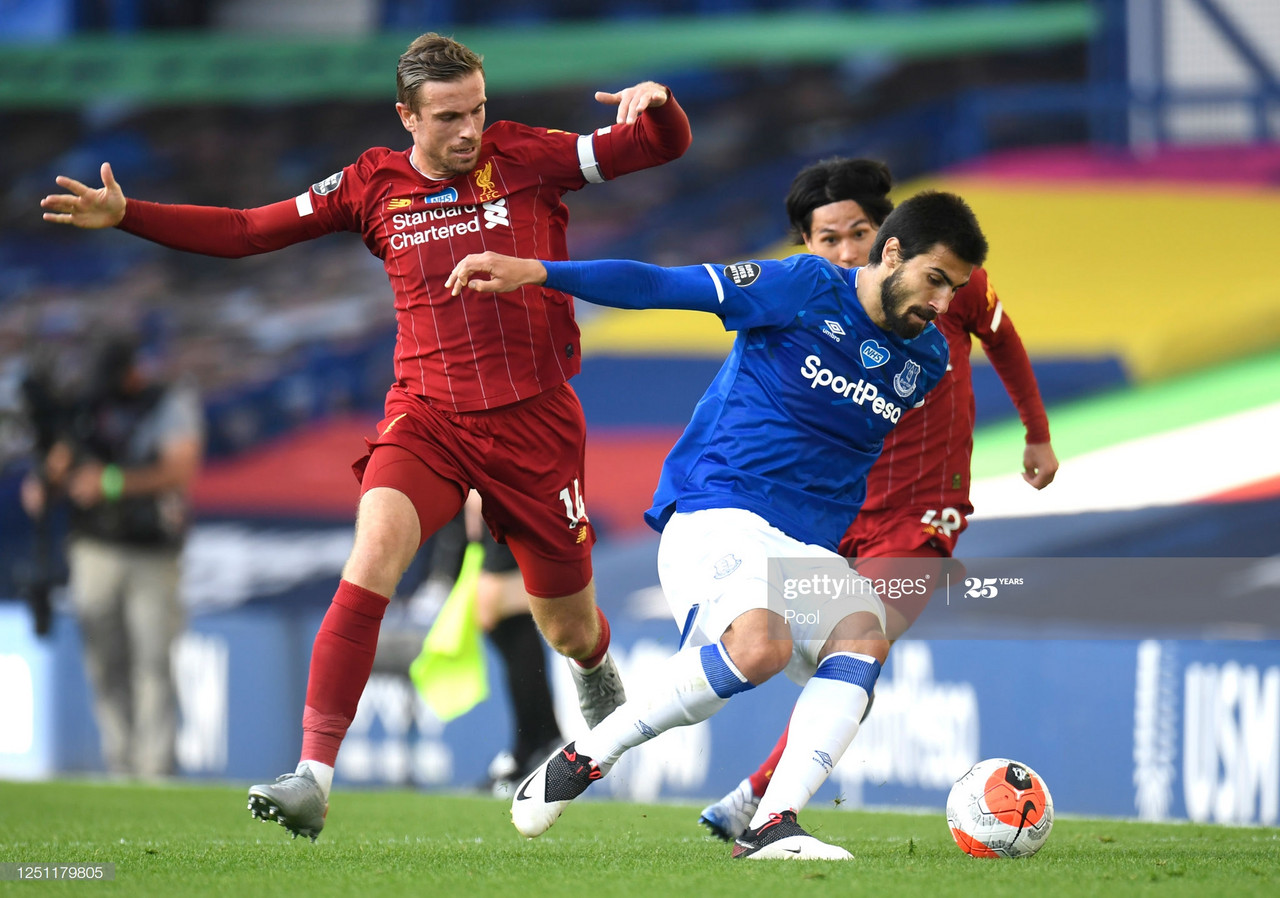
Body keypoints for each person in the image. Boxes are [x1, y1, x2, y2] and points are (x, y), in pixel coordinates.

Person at [41, 32, 691, 840]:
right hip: (428, 414)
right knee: (373, 555)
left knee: (566, 623)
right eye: (450, 116)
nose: (469, 131)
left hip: (536, 422)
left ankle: (593, 669)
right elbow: (247, 230)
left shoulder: (526, 156)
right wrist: (128, 214)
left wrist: (658, 108)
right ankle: (313, 775)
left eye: (478, 110)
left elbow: (656, 148)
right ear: (406, 117)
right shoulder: (369, 184)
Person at [445, 189, 989, 859]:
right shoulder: (803, 285)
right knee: (758, 648)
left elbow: (861, 457)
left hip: (803, 548)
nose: (941, 302)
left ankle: (773, 824)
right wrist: (541, 272)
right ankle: (588, 754)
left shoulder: (926, 360)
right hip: (719, 510)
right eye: (936, 280)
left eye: (955, 289)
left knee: (863, 641)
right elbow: (660, 285)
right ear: (895, 252)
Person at [697, 157, 1058, 841]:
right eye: (825, 240)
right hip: (830, 510)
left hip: (922, 506)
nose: (844, 251)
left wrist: (1036, 435)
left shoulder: (941, 282)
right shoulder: (806, 301)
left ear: (889, 235)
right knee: (793, 646)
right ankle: (750, 785)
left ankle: (764, 798)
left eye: (857, 233)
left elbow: (1004, 341)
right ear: (806, 245)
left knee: (867, 640)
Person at [19, 336, 204, 778]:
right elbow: (45, 482)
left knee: (153, 660)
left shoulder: (164, 401)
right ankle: (120, 766)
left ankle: (155, 768)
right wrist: (51, 478)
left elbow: (182, 466)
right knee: (105, 661)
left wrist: (113, 483)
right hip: (94, 549)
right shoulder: (85, 409)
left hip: (152, 553)